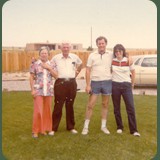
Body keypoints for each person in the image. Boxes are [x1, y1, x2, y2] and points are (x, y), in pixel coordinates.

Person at [81, 36, 113, 135]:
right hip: (95, 82)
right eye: (99, 43)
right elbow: (87, 70)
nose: (101, 45)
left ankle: (103, 126)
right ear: (97, 45)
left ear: (106, 44)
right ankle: (85, 127)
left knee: (105, 105)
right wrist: (87, 85)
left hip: (107, 82)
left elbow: (123, 56)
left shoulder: (111, 54)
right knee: (90, 105)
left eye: (103, 43)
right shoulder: (92, 55)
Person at [51, 42, 82, 134]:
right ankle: (53, 128)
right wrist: (55, 76)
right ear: (61, 48)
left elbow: (80, 64)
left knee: (70, 105)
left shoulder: (74, 57)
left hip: (71, 83)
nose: (65, 49)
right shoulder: (55, 58)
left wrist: (76, 73)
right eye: (64, 47)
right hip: (60, 83)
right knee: (58, 105)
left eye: (67, 47)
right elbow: (50, 68)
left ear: (70, 48)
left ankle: (71, 127)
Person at [111, 44, 140, 137]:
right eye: (116, 51)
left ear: (123, 51)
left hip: (126, 86)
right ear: (114, 53)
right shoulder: (112, 61)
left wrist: (132, 83)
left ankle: (134, 130)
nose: (118, 53)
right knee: (116, 108)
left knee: (130, 108)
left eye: (120, 51)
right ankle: (119, 127)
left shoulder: (128, 60)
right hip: (115, 85)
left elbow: (133, 72)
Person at [30, 46, 58, 138]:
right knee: (38, 111)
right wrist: (32, 90)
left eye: (46, 53)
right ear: (39, 54)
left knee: (47, 111)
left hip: (49, 91)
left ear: (48, 54)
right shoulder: (35, 64)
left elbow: (57, 76)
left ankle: (44, 129)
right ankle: (35, 131)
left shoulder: (52, 64)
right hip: (38, 90)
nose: (44, 55)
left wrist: (48, 68)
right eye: (42, 53)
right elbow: (31, 77)